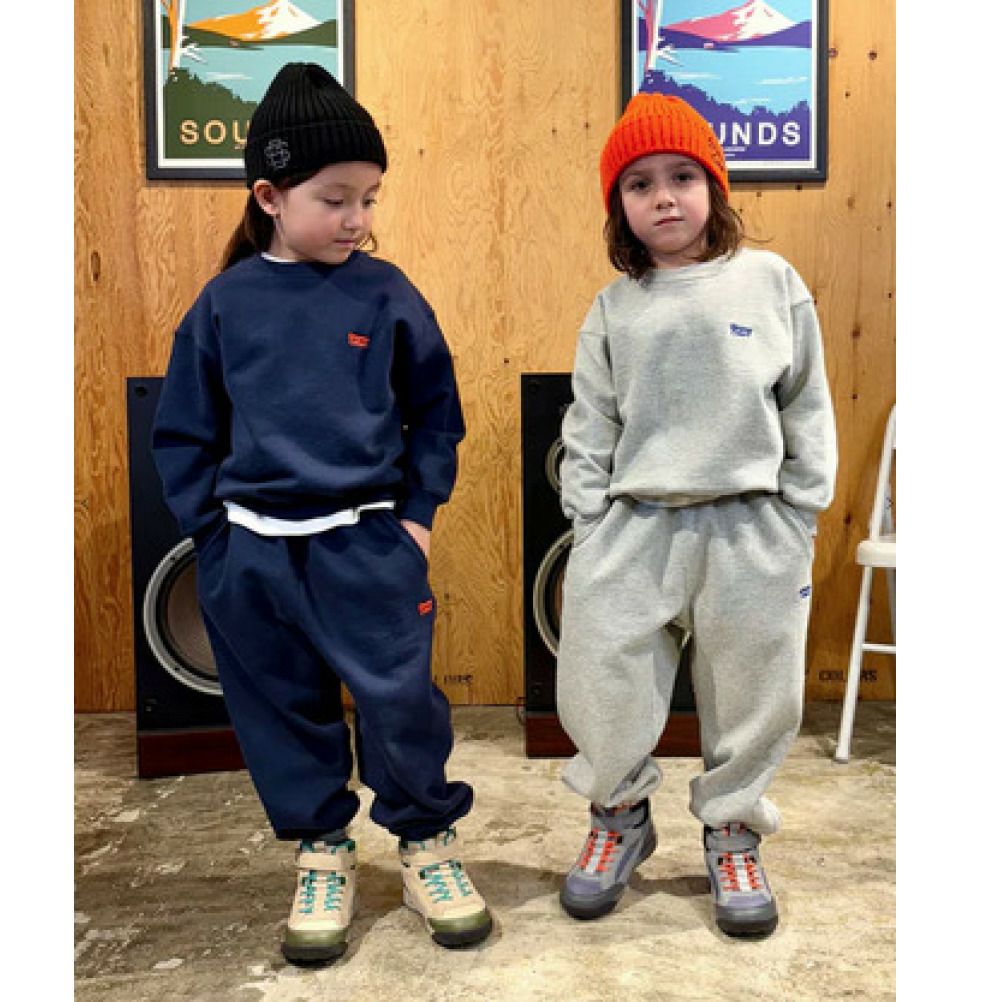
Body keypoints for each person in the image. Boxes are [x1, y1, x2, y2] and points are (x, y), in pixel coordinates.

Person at [151, 63, 492, 965]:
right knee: (282, 710)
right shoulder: (223, 305)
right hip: (252, 557)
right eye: (335, 199)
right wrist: (214, 538)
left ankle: (426, 841)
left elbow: (437, 415)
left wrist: (416, 519)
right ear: (269, 196)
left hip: (369, 548)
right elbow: (183, 431)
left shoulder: (387, 294)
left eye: (370, 199)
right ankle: (322, 851)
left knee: (400, 703)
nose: (357, 220)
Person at [555, 93, 837, 937]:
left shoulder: (772, 282)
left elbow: (806, 403)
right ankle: (618, 817)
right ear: (620, 206)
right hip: (634, 526)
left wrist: (800, 511)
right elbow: (590, 422)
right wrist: (589, 523)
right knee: (601, 679)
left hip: (752, 527)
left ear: (715, 185)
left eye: (682, 176)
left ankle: (734, 829)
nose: (665, 197)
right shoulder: (615, 307)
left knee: (755, 691)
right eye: (639, 184)